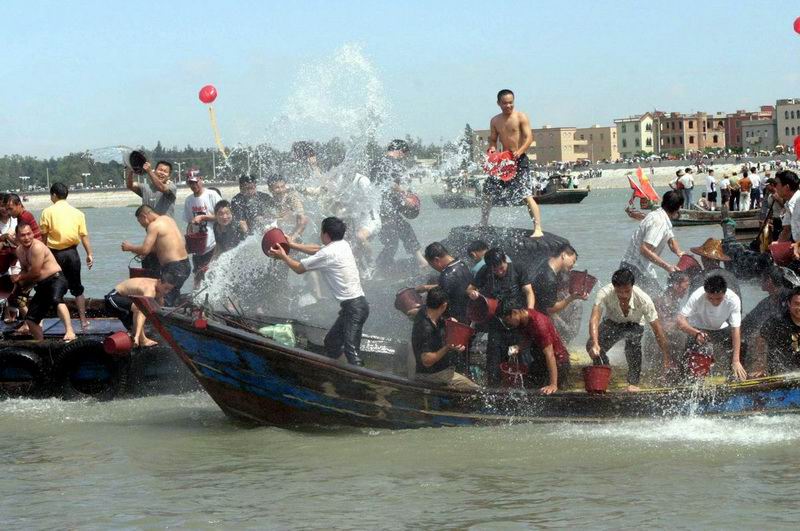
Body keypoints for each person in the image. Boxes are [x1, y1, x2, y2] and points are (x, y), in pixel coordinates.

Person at [267, 216, 369, 366]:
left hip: (354, 308)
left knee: (352, 352)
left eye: (321, 231)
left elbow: (298, 269)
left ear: (326, 235)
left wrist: (283, 256)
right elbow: (317, 249)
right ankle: (345, 372)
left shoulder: (329, 253)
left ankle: (359, 384)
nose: (320, 234)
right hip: (354, 307)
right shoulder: (342, 245)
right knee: (332, 342)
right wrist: (291, 245)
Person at [587, 268, 671, 391]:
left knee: (632, 345)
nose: (623, 295)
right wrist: (595, 344)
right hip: (613, 322)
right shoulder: (604, 292)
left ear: (632, 286)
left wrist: (666, 357)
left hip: (635, 324)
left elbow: (657, 330)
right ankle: (604, 370)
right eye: (619, 292)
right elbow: (594, 319)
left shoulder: (644, 300)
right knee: (591, 345)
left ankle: (633, 383)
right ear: (613, 287)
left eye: (627, 291)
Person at [466, 248, 535, 386]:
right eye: (495, 270)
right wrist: (472, 293)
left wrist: (530, 313)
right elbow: (469, 289)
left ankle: (527, 387)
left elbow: (529, 292)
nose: (499, 271)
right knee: (494, 361)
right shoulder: (485, 271)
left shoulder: (518, 269)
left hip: (517, 324)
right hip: (496, 323)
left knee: (522, 357)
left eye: (501, 268)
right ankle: (494, 388)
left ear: (505, 261)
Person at [480, 89, 543, 238]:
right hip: (503, 161)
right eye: (505, 103)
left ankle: (538, 228)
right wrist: (492, 149)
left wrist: (520, 151)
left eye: (511, 103)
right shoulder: (495, 120)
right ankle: (483, 222)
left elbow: (529, 137)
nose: (508, 106)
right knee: (488, 191)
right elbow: (493, 139)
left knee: (526, 195)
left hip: (520, 159)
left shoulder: (521, 117)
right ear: (498, 103)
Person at [37, 183, 94, 329]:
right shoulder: (78, 213)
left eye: (51, 195)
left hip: (54, 254)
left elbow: (43, 236)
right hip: (73, 254)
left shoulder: (47, 212)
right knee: (77, 288)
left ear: (54, 195)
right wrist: (89, 254)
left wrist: (42, 255)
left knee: (49, 286)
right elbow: (84, 236)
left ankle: (40, 319)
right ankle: (83, 321)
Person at [10, 223, 75, 341]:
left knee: (56, 299)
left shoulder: (37, 247)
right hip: (42, 285)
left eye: (29, 234)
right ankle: (41, 343)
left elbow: (35, 272)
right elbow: (25, 269)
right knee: (30, 319)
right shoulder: (19, 250)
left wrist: (19, 278)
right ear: (17, 237)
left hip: (56, 279)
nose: (27, 238)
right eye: (23, 235)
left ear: (33, 233)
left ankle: (70, 331)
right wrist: (23, 285)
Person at [676, 275, 746, 380]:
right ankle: (685, 381)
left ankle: (734, 377)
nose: (715, 302)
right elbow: (680, 320)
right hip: (699, 329)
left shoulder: (733, 299)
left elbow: (735, 329)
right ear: (705, 293)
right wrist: (695, 333)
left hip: (721, 329)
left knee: (742, 345)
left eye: (719, 298)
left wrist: (736, 360)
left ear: (725, 293)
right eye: (710, 298)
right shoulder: (697, 295)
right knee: (688, 359)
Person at [619, 190, 685, 297]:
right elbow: (644, 249)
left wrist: (680, 253)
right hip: (634, 268)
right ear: (679, 208)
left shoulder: (659, 215)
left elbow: (671, 240)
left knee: (657, 302)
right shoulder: (659, 222)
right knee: (660, 302)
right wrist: (668, 267)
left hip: (637, 267)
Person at [121, 205, 191, 307]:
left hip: (173, 269)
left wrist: (129, 247)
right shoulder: (168, 219)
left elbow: (145, 250)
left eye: (141, 223)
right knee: (172, 297)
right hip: (185, 265)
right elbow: (163, 246)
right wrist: (142, 252)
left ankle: (162, 321)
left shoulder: (153, 226)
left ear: (144, 216)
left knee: (161, 298)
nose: (143, 226)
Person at [411, 287, 478, 390]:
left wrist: (451, 324)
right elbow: (426, 360)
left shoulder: (428, 312)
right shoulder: (425, 328)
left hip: (444, 370)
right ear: (444, 305)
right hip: (432, 375)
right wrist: (448, 347)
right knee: (476, 391)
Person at [373, 140, 426, 269]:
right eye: (405, 155)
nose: (404, 158)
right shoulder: (393, 163)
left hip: (375, 206)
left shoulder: (377, 161)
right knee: (393, 240)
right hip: (385, 208)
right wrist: (405, 195)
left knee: (401, 232)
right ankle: (378, 268)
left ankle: (420, 260)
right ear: (401, 151)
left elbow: (378, 184)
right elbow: (392, 184)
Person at [503, 306, 570, 394]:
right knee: (528, 385)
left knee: (546, 393)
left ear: (515, 312)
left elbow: (550, 354)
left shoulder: (539, 323)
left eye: (508, 321)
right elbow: (528, 338)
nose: (508, 324)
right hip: (542, 361)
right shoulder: (524, 320)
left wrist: (553, 384)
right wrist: (518, 347)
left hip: (558, 363)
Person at [418, 242, 473, 324]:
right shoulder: (461, 263)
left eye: (432, 265)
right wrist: (427, 287)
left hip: (457, 321)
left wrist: (419, 311)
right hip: (470, 313)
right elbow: (456, 285)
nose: (434, 268)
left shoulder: (446, 276)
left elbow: (439, 304)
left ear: (436, 260)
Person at [183, 173, 221, 286]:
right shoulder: (189, 200)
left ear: (201, 179)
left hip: (213, 243)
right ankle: (197, 298)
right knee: (197, 275)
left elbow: (223, 216)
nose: (194, 185)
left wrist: (203, 217)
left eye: (195, 182)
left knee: (211, 274)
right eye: (191, 183)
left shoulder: (212, 195)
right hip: (197, 246)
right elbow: (190, 223)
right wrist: (188, 241)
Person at [532, 242, 587, 316]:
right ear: (563, 255)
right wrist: (572, 297)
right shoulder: (550, 278)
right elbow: (551, 309)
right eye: (573, 261)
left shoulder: (543, 262)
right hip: (538, 314)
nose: (573, 265)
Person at [755, 288, 800, 375]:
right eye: (796, 304)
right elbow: (760, 339)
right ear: (789, 304)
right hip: (780, 374)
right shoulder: (777, 322)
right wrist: (760, 365)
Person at [107, 277, 160, 347]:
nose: (166, 291)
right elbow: (143, 310)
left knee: (133, 325)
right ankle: (142, 339)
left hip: (126, 298)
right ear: (160, 281)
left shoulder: (156, 284)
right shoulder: (150, 289)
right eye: (166, 288)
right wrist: (137, 336)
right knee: (138, 308)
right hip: (113, 297)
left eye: (169, 290)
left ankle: (135, 334)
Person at [265, 173, 308, 240]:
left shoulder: (292, 198)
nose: (281, 190)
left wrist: (292, 239)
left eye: (282, 186)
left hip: (295, 236)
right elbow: (269, 220)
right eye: (277, 187)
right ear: (270, 189)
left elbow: (304, 220)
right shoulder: (270, 202)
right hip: (283, 236)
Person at [775, 170, 800, 242]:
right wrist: (777, 245)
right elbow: (786, 229)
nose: (775, 187)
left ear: (787, 187)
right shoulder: (788, 204)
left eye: (777, 184)